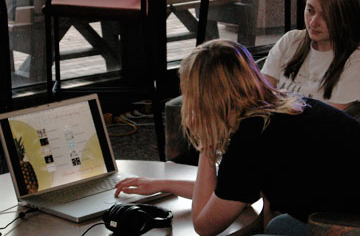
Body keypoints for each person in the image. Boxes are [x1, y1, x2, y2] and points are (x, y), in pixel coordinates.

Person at [114, 39, 360, 236]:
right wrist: (162, 185)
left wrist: (206, 149)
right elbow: (231, 193)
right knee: (279, 227)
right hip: (346, 210)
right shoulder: (288, 107)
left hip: (350, 224)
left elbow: (205, 226)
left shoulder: (251, 141)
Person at [261, 0, 360, 120]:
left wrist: (277, 102)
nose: (313, 22)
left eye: (325, 16)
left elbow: (328, 121)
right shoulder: (291, 40)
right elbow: (260, 96)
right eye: (310, 11)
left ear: (345, 18)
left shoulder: (355, 61)